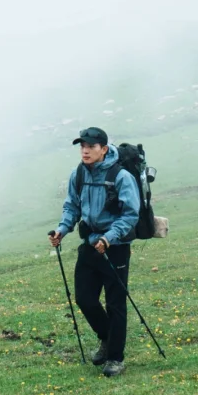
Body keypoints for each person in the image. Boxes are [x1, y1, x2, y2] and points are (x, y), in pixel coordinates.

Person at [48, 127, 140, 377]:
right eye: (82, 146)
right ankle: (107, 338)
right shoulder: (78, 174)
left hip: (115, 248)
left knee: (115, 304)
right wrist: (62, 230)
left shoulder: (120, 176)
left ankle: (115, 358)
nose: (85, 151)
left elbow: (131, 214)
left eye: (90, 147)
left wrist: (109, 238)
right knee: (84, 299)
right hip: (89, 245)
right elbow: (71, 206)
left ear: (104, 149)